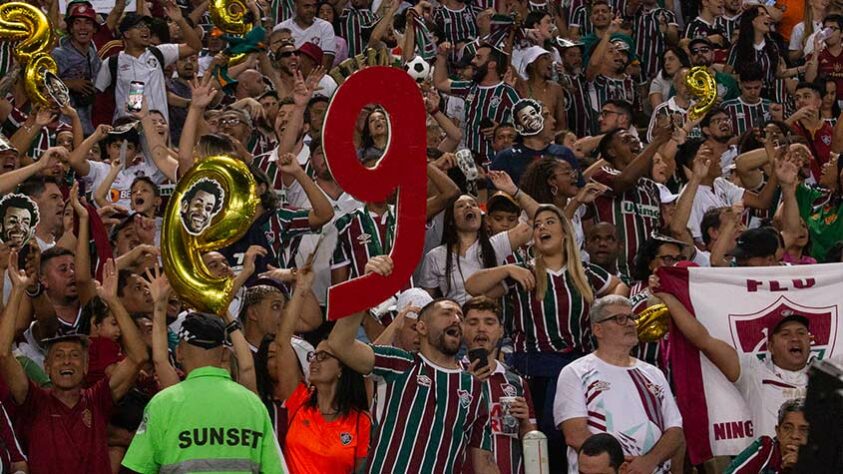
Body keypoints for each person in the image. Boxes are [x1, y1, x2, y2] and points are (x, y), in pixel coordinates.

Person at [465, 204, 625, 471]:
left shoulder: (585, 273)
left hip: (581, 368)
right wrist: (507, 270)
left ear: (565, 232)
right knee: (546, 442)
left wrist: (606, 311)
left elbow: (619, 287)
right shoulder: (524, 272)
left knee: (582, 435)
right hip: (536, 370)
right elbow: (472, 286)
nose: (542, 228)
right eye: (537, 225)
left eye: (550, 222)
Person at [328, 256, 499, 474]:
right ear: (422, 327)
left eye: (459, 316)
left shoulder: (475, 388)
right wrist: (366, 286)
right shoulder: (399, 363)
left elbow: (484, 462)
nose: (456, 319)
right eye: (447, 313)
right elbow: (339, 344)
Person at [0, 256, 148, 473]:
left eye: (75, 355)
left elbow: (138, 357)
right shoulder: (34, 401)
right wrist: (18, 291)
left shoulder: (98, 399)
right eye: (59, 355)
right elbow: (3, 354)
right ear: (47, 367)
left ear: (87, 366)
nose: (67, 360)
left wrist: (112, 301)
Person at [655, 278, 843, 437]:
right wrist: (667, 296)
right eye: (785, 334)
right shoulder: (753, 373)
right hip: (771, 466)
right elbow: (703, 340)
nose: (795, 338)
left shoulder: (828, 375)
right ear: (770, 346)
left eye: (801, 333)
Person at [121, 312, 286, 473]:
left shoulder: (164, 403)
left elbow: (137, 468)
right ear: (224, 353)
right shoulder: (253, 405)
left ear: (178, 353)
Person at [554, 295, 684, 474]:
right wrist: (622, 467)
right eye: (620, 319)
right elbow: (575, 436)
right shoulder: (576, 372)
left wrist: (649, 461)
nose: (631, 324)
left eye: (632, 318)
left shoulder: (654, 373)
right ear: (598, 329)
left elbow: (675, 431)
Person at [271, 263, 371, 474]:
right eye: (313, 355)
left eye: (323, 356)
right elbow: (282, 342)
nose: (314, 361)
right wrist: (301, 289)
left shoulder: (360, 421)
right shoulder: (298, 398)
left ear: (341, 368)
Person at [461, 296, 537, 474]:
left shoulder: (516, 382)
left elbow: (533, 444)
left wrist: (525, 422)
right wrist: (466, 385)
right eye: (473, 322)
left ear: (501, 330)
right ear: (462, 328)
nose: (481, 329)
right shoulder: (451, 376)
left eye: (489, 322)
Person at [434, 42, 520, 165]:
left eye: (478, 57)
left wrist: (501, 131)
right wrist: (442, 57)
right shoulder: (469, 87)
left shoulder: (508, 92)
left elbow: (526, 127)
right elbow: (440, 83)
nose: (473, 61)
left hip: (497, 161)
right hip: (470, 161)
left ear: (492, 64)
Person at [725, 398, 809, 473]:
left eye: (803, 430)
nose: (794, 436)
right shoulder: (765, 448)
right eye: (787, 428)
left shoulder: (819, 462)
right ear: (778, 432)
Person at [275, 0, 336, 68]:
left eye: (314, 6)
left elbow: (327, 60)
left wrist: (314, 77)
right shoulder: (281, 28)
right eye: (307, 6)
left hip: (317, 76)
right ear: (296, 6)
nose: (311, 10)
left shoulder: (325, 26)